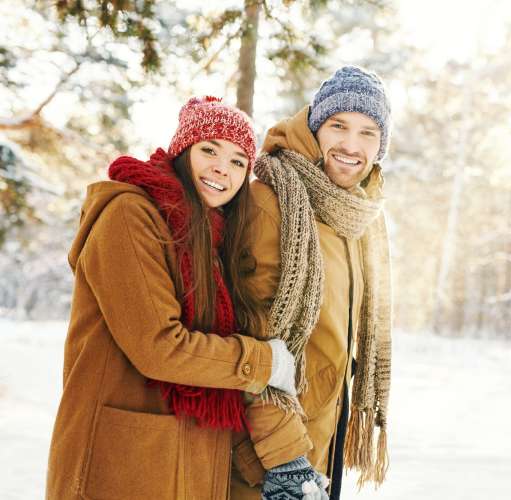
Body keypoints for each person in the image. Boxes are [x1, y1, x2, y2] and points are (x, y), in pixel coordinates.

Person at [46, 96, 299, 500]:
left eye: (238, 161)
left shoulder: (213, 238)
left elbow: (213, 381)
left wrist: (275, 465)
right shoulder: (130, 216)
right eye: (209, 150)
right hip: (118, 466)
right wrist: (263, 362)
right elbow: (159, 347)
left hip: (180, 465)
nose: (222, 168)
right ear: (183, 151)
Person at [230, 66, 393, 500]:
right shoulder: (274, 200)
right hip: (270, 459)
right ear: (315, 127)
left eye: (368, 132)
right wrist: (285, 459)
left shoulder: (355, 215)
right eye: (339, 126)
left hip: (321, 442)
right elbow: (253, 336)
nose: (351, 145)